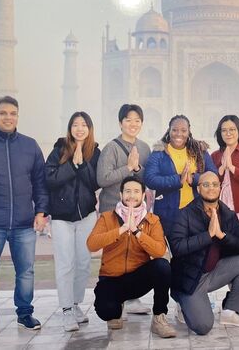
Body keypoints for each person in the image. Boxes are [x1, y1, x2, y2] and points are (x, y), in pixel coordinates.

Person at [0, 96, 49, 335]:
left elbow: (40, 183)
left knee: (26, 272)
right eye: (3, 113)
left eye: (12, 113)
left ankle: (25, 314)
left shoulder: (30, 145)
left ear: (18, 116)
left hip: (24, 223)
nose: (8, 117)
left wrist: (41, 212)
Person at [86, 176, 176, 338]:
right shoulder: (107, 217)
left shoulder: (152, 220)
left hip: (136, 279)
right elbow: (92, 244)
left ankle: (159, 317)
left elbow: (159, 250)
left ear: (143, 196)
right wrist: (121, 230)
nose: (132, 196)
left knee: (162, 266)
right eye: (127, 191)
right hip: (111, 278)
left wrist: (137, 232)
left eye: (136, 192)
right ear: (121, 195)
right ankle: (117, 307)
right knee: (108, 312)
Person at [168, 171, 239, 335]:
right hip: (190, 278)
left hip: (214, 272)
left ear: (220, 188)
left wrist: (222, 236)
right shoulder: (185, 214)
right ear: (199, 189)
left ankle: (230, 311)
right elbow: (177, 247)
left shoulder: (227, 214)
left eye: (215, 184)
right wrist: (207, 235)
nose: (211, 188)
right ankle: (182, 300)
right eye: (206, 184)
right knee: (203, 327)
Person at [45, 111, 101, 332]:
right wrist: (71, 165)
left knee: (83, 263)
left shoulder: (95, 151)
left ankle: (76, 304)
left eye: (84, 124)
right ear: (70, 128)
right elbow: (50, 179)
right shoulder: (59, 149)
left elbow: (95, 182)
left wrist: (82, 162)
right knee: (65, 263)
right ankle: (66, 310)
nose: (80, 128)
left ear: (89, 128)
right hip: (61, 217)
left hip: (85, 215)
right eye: (75, 125)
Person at [96, 103, 152, 315]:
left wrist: (138, 168)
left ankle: (132, 298)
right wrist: (127, 168)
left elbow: (149, 180)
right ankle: (113, 300)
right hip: (113, 210)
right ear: (120, 123)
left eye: (137, 120)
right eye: (128, 120)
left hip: (136, 212)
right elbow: (103, 178)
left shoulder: (144, 148)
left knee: (135, 253)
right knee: (114, 256)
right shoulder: (111, 148)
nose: (133, 124)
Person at [144, 115, 217, 237]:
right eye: (175, 130)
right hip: (169, 213)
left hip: (197, 211)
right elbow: (150, 179)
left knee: (197, 248)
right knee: (176, 250)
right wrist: (178, 179)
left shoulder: (199, 150)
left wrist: (193, 179)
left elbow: (213, 175)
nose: (179, 134)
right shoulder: (159, 152)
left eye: (183, 130)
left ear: (189, 131)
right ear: (169, 130)